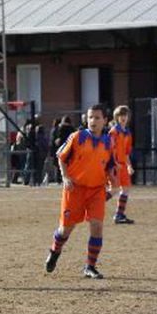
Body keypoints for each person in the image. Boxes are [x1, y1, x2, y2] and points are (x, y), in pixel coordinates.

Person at [44, 104, 118, 279]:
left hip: (96, 190)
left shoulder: (109, 142)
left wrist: (113, 183)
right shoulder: (77, 137)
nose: (93, 121)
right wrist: (65, 177)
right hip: (74, 189)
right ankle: (55, 251)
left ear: (105, 121)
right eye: (90, 117)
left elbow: (109, 165)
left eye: (97, 117)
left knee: (97, 226)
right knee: (66, 230)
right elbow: (60, 156)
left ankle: (90, 267)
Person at [109, 104, 135, 224]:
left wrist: (129, 165)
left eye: (125, 115)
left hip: (123, 165)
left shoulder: (128, 133)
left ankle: (119, 215)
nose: (123, 117)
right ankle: (91, 206)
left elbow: (126, 152)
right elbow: (109, 150)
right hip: (115, 165)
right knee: (114, 190)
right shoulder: (113, 132)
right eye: (121, 115)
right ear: (117, 117)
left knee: (125, 189)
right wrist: (114, 163)